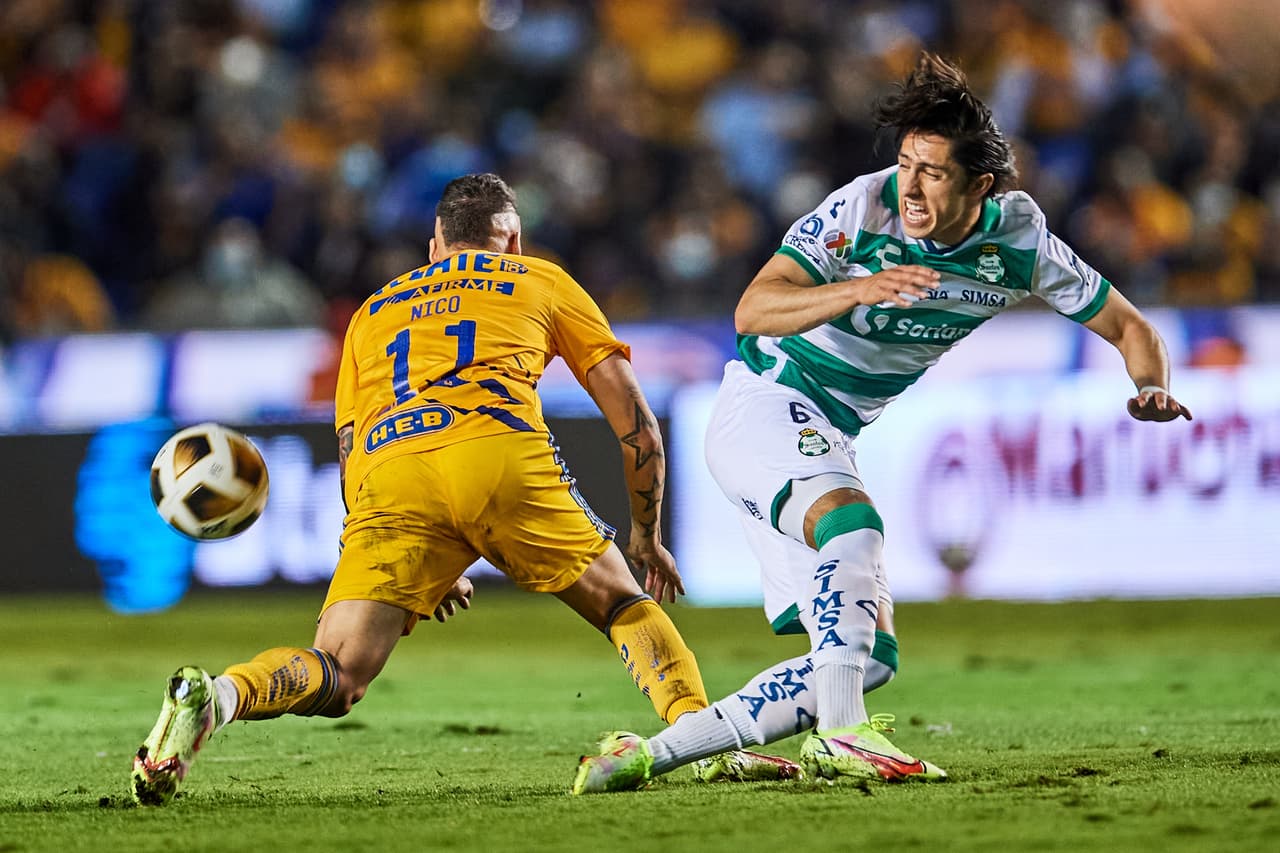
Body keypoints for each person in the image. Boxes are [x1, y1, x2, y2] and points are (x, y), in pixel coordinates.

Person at [573, 53, 1193, 794]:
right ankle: (843, 736)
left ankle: (647, 754)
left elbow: (1131, 328)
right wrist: (856, 288)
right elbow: (752, 310)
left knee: (863, 658)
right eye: (906, 164)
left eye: (933, 171)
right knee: (855, 527)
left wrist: (1153, 387)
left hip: (827, 431)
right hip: (766, 403)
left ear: (980, 186)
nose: (912, 185)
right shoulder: (861, 210)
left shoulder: (1019, 241)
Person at [131, 172, 794, 805]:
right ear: (512, 241)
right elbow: (638, 424)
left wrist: (430, 557)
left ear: (435, 246)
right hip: (498, 456)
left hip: (391, 476)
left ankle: (217, 695)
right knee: (624, 601)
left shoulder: (372, 311)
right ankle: (703, 741)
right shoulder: (540, 278)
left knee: (339, 670)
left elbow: (350, 448)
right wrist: (646, 532)